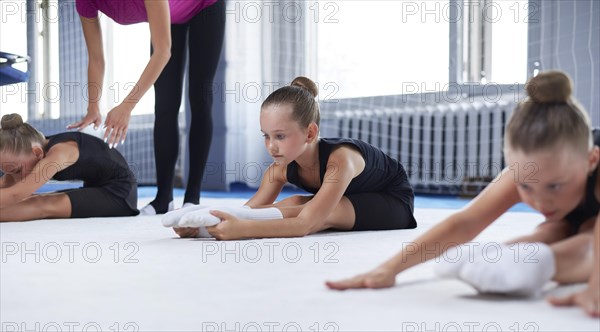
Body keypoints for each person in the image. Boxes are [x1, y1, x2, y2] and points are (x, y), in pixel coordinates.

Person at [325, 71, 600, 318]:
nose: (540, 201)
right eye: (526, 187)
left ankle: (541, 264)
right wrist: (388, 269)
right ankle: (504, 258)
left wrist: (595, 290)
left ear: (591, 160)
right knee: (553, 228)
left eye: (554, 186)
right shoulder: (524, 173)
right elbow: (465, 222)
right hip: (568, 218)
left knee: (589, 232)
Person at [161, 76, 417, 240]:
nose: (271, 146)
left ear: (310, 132)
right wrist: (204, 225)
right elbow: (247, 210)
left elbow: (306, 224)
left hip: (392, 200)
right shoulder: (278, 169)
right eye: (266, 136)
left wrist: (245, 231)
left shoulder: (341, 160)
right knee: (295, 200)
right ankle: (205, 218)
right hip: (353, 196)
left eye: (280, 136)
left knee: (324, 213)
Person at [68, 0, 226, 214]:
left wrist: (126, 107)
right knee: (164, 104)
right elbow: (96, 59)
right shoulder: (84, 3)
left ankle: (192, 198)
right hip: (171, 14)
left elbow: (163, 52)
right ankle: (163, 199)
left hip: (204, 6)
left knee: (200, 98)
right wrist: (93, 107)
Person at [0, 114, 138, 221]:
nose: (15, 177)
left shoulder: (59, 153)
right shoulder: (35, 148)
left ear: (37, 152)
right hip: (95, 187)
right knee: (28, 199)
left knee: (43, 203)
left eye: (17, 170)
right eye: (9, 172)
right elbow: (7, 183)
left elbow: (15, 193)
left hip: (120, 194)